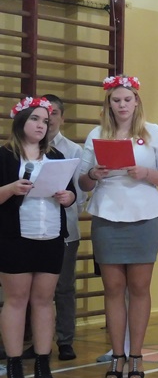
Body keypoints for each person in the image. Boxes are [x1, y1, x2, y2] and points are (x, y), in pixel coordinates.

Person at [79, 75, 158, 378]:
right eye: (116, 100)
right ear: (109, 104)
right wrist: (94, 173)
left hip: (143, 216)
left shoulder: (154, 132)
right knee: (113, 288)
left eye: (127, 99)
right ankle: (117, 355)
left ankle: (136, 355)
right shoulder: (97, 134)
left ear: (137, 102)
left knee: (139, 287)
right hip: (107, 216)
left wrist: (146, 173)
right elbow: (82, 182)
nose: (122, 105)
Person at [0, 97, 76, 378]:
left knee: (44, 300)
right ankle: (15, 363)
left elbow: (70, 194)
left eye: (45, 120)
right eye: (35, 119)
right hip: (15, 238)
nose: (42, 125)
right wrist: (11, 188)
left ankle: (43, 361)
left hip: (50, 236)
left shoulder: (56, 156)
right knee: (16, 300)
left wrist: (67, 197)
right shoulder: (5, 156)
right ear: (21, 121)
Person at [43, 94, 84, 362]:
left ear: (62, 117)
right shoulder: (24, 149)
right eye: (43, 115)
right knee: (36, 291)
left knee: (64, 288)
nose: (49, 120)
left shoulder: (73, 151)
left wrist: (68, 203)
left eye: (54, 114)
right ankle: (38, 342)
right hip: (32, 230)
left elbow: (79, 194)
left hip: (65, 229)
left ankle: (65, 340)